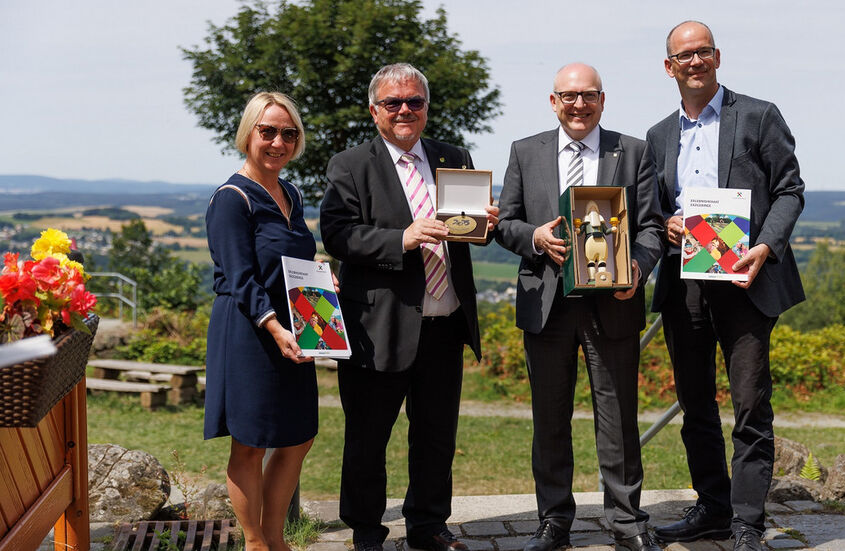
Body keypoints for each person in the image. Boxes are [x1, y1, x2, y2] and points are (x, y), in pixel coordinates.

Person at [318, 63, 499, 551]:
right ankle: (366, 532)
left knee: (437, 437)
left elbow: (466, 229)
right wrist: (402, 237)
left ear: (425, 107)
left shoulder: (452, 155)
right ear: (374, 110)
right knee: (367, 438)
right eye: (393, 103)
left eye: (414, 102)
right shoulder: (349, 164)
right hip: (379, 326)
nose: (405, 110)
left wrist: (484, 222)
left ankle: (428, 526)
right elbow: (338, 234)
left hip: (445, 322)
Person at [645, 21, 805, 551]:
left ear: (718, 57)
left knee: (750, 406)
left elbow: (789, 190)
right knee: (696, 406)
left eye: (704, 51)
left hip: (746, 279)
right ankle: (712, 508)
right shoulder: (659, 134)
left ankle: (747, 523)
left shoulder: (758, 115)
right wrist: (666, 222)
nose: (695, 61)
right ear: (669, 67)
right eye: (684, 55)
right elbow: (656, 205)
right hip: (684, 282)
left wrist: (767, 245)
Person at [495, 63, 665, 551]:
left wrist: (637, 265)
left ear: (602, 100)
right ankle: (553, 522)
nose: (578, 105)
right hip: (546, 304)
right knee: (549, 419)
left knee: (619, 418)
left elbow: (651, 226)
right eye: (569, 96)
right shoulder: (525, 152)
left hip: (612, 303)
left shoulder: (632, 151)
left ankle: (627, 520)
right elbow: (505, 222)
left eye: (588, 95)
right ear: (554, 102)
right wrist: (535, 236)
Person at [204, 91, 320, 551]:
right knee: (250, 443)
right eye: (267, 131)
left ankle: (276, 538)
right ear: (248, 133)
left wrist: (319, 313)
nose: (278, 142)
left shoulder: (290, 192)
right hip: (250, 331)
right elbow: (241, 277)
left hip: (296, 328)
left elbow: (298, 264)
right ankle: (255, 543)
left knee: (298, 437)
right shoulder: (231, 198)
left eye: (288, 133)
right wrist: (275, 327)